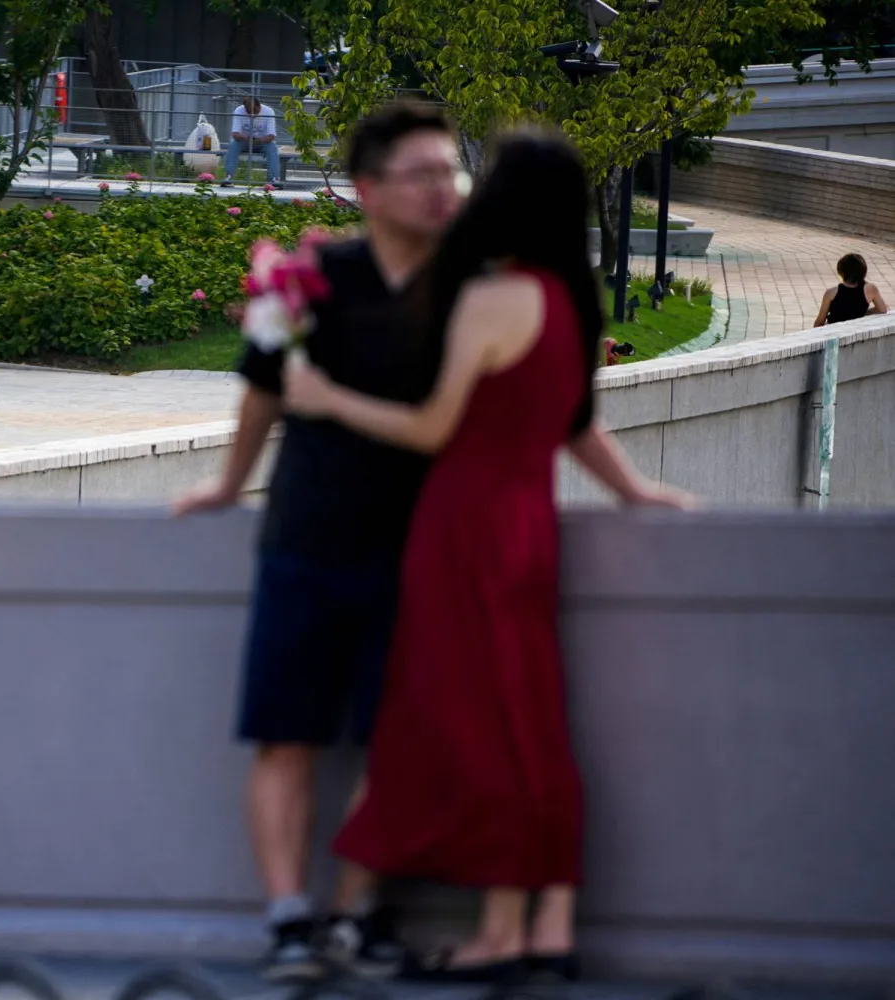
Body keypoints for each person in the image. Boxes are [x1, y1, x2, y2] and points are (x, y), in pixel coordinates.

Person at [281, 126, 691, 984]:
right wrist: (636, 493)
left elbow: (433, 428)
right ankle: (549, 921)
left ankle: (500, 930)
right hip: (529, 528)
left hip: (462, 530)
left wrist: (325, 395)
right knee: (532, 721)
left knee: (468, 727)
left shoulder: (491, 298)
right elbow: (575, 423)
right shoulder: (572, 301)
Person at [174, 101, 466, 980]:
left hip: (419, 549)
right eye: (421, 174)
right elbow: (263, 389)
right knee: (287, 734)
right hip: (305, 535)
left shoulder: (465, 289)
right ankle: (289, 920)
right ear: (369, 189)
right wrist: (229, 486)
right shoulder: (314, 279)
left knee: (397, 740)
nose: (440, 191)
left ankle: (353, 913)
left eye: (450, 172)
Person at [221, 96, 281, 189]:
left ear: (259, 105)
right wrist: (243, 137)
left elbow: (271, 136)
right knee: (233, 144)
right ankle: (228, 177)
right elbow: (235, 134)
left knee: (272, 146)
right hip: (244, 141)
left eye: (255, 111)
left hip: (262, 142)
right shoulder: (239, 110)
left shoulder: (269, 111)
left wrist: (260, 140)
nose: (252, 114)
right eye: (249, 112)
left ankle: (274, 179)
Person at [814, 253, 888, 327]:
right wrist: (863, 313)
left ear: (841, 272)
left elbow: (820, 322)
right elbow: (882, 309)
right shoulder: (870, 289)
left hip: (835, 330)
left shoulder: (831, 293)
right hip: (856, 328)